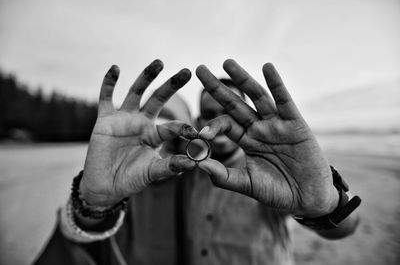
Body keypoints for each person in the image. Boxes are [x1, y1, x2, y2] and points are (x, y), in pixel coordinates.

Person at [34, 59, 360, 265]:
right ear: (197, 118)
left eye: (228, 110)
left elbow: (346, 230)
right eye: (208, 112)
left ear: (246, 116)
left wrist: (326, 203)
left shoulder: (275, 174)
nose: (218, 120)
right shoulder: (177, 174)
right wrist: (93, 203)